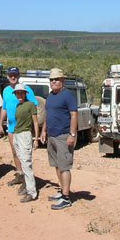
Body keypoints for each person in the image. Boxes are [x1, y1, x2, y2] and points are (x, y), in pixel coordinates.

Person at [40, 68, 77, 210]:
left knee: (64, 166)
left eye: (56, 79)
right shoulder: (50, 95)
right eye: (51, 80)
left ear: (62, 80)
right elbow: (47, 114)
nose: (53, 82)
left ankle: (66, 198)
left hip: (63, 135)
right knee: (56, 165)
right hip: (52, 135)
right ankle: (63, 191)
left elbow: (73, 115)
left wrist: (72, 134)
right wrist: (44, 131)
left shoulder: (68, 95)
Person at [0, 66, 38, 187]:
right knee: (15, 152)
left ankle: (27, 180)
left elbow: (34, 107)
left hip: (24, 128)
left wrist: (34, 128)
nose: (13, 77)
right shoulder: (6, 91)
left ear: (18, 76)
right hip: (11, 127)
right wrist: (0, 124)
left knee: (24, 154)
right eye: (10, 75)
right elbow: (4, 108)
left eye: (15, 75)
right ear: (7, 76)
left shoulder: (26, 90)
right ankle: (20, 174)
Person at [11, 84, 39, 203]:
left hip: (25, 135)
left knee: (26, 163)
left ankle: (32, 192)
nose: (19, 95)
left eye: (21, 93)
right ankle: (26, 186)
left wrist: (36, 139)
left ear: (25, 93)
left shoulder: (30, 105)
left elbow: (35, 122)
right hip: (16, 134)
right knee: (22, 161)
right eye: (17, 93)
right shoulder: (18, 105)